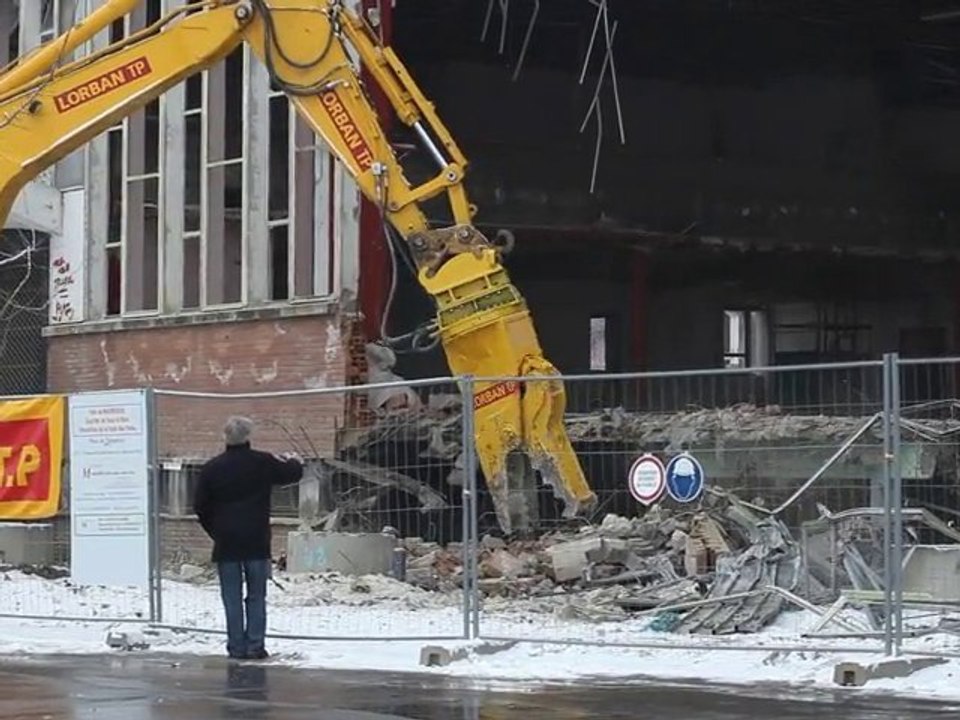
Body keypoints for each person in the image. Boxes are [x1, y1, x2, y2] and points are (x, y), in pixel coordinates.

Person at [193, 416, 304, 660]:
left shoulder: (212, 468)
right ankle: (255, 645)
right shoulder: (262, 462)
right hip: (256, 540)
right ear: (248, 436)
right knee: (256, 596)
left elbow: (200, 506)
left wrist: (216, 531)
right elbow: (292, 473)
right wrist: (295, 460)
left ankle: (236, 647)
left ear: (225, 436)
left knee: (231, 597)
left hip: (227, 543)